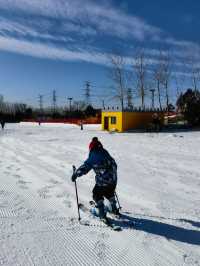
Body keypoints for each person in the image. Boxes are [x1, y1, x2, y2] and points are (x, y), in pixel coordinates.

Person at [72, 137, 119, 219]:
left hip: (104, 181)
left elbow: (85, 167)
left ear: (91, 148)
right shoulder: (105, 152)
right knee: (109, 192)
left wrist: (76, 174)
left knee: (96, 194)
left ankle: (101, 213)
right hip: (113, 180)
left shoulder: (94, 155)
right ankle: (114, 208)